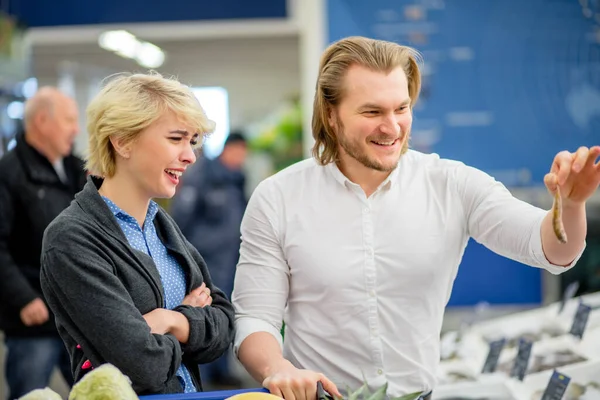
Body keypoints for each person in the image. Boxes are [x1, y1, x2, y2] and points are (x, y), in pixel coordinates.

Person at [231, 36, 598, 399]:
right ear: (331, 113)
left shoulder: (452, 183)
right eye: (372, 112)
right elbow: (254, 319)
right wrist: (277, 368)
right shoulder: (278, 197)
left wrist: (570, 204)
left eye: (401, 109)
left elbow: (551, 252)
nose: (392, 127)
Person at [39, 72, 236, 396]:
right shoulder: (71, 239)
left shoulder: (161, 226)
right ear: (122, 140)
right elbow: (140, 366)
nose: (190, 155)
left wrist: (170, 321)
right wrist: (190, 323)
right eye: (176, 138)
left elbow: (225, 326)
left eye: (193, 141)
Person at [0, 87, 84, 399]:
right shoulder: (8, 173)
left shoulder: (77, 169)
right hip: (33, 321)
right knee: (29, 394)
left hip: (77, 317)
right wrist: (23, 298)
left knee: (96, 392)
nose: (76, 129)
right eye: (68, 120)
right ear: (42, 121)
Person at [171, 131, 248, 387]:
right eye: (237, 151)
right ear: (227, 149)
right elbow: (181, 219)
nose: (241, 157)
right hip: (206, 261)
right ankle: (203, 376)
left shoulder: (237, 179)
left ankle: (222, 370)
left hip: (230, 261)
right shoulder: (203, 175)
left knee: (227, 313)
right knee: (205, 314)